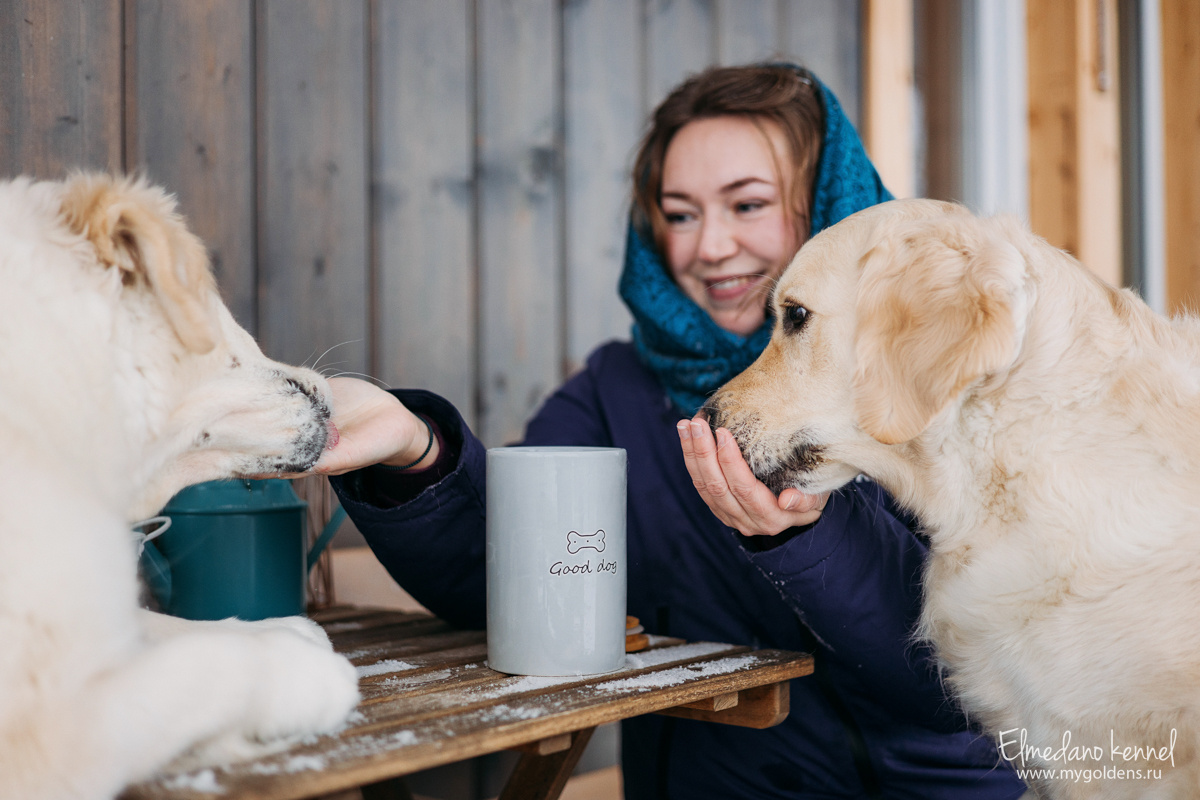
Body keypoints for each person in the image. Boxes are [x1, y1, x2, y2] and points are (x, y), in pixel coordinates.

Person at [308, 64, 1026, 799]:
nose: (710, 246)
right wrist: (415, 452)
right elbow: (500, 575)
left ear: (831, 211)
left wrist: (804, 540)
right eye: (680, 214)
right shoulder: (616, 393)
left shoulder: (940, 382)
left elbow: (957, 685)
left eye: (748, 205)